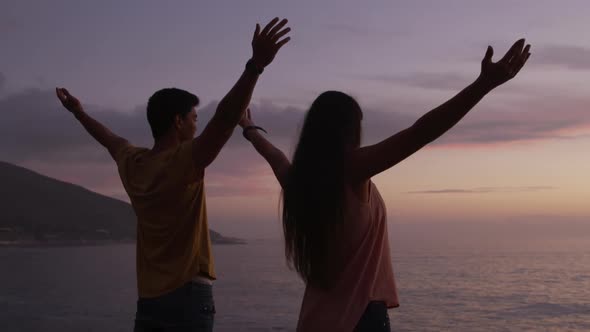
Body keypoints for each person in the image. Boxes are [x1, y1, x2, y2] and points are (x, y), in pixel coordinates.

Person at [239, 39, 531, 332]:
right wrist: (483, 85)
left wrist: (249, 129)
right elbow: (421, 132)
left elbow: (273, 155)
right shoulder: (352, 168)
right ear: (349, 128)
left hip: (314, 319)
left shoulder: (298, 181)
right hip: (360, 320)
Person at [55, 17, 291, 332]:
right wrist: (255, 67)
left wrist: (79, 113)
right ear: (178, 122)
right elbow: (223, 119)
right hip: (188, 299)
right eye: (194, 118)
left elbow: (106, 137)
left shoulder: (132, 162)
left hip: (149, 302)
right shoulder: (184, 161)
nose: (197, 124)